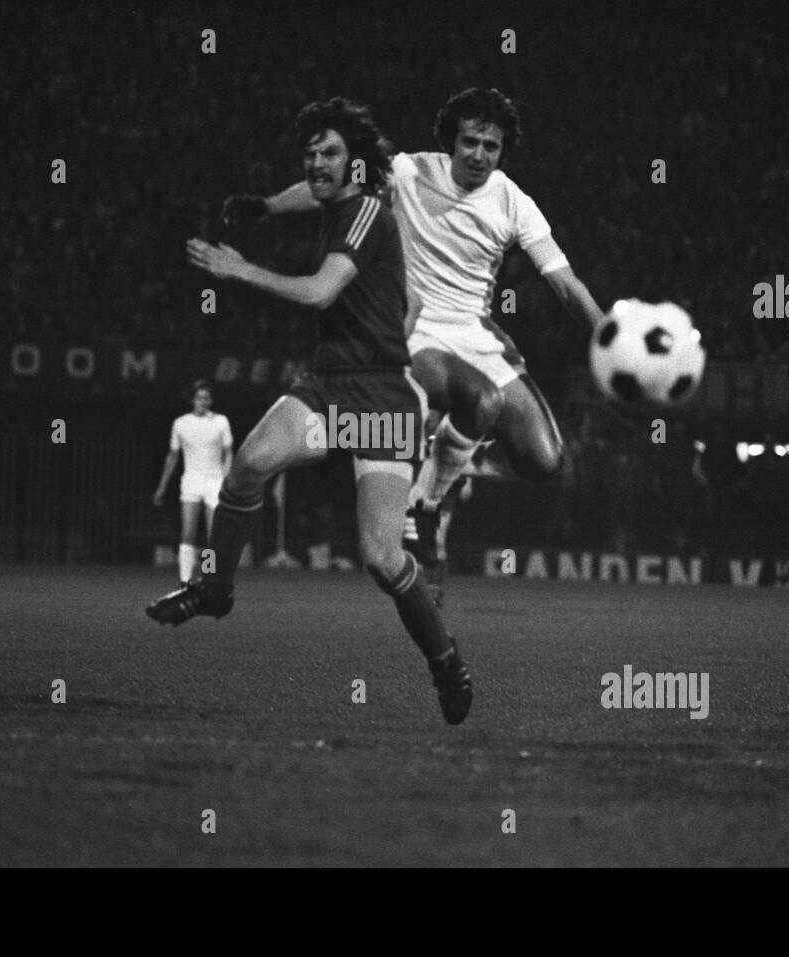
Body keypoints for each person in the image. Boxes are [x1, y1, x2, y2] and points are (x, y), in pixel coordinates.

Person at [146, 97, 472, 725]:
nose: (317, 164)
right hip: (330, 385)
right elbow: (311, 190)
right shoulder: (341, 198)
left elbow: (321, 288)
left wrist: (239, 269)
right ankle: (215, 587)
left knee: (381, 557)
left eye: (329, 154)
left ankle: (444, 659)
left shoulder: (368, 212)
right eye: (310, 153)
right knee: (248, 467)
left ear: (354, 165)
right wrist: (266, 206)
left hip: (380, 398)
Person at [227, 88, 606, 602]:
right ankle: (426, 503)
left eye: (490, 147)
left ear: (502, 152)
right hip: (412, 326)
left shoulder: (515, 202)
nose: (478, 155)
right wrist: (268, 207)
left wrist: (608, 334)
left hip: (477, 331)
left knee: (545, 460)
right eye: (469, 141)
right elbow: (330, 187)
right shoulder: (405, 171)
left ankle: (437, 483)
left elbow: (565, 283)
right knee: (482, 401)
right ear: (451, 140)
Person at [152, 380, 233, 583]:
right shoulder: (181, 423)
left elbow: (228, 453)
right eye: (199, 398)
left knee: (213, 536)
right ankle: (185, 580)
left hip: (215, 481)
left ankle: (208, 577)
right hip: (191, 481)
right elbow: (172, 456)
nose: (203, 402)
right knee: (188, 533)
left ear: (211, 400)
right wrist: (162, 486)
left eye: (206, 398)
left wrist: (226, 481)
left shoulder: (221, 421)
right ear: (192, 400)